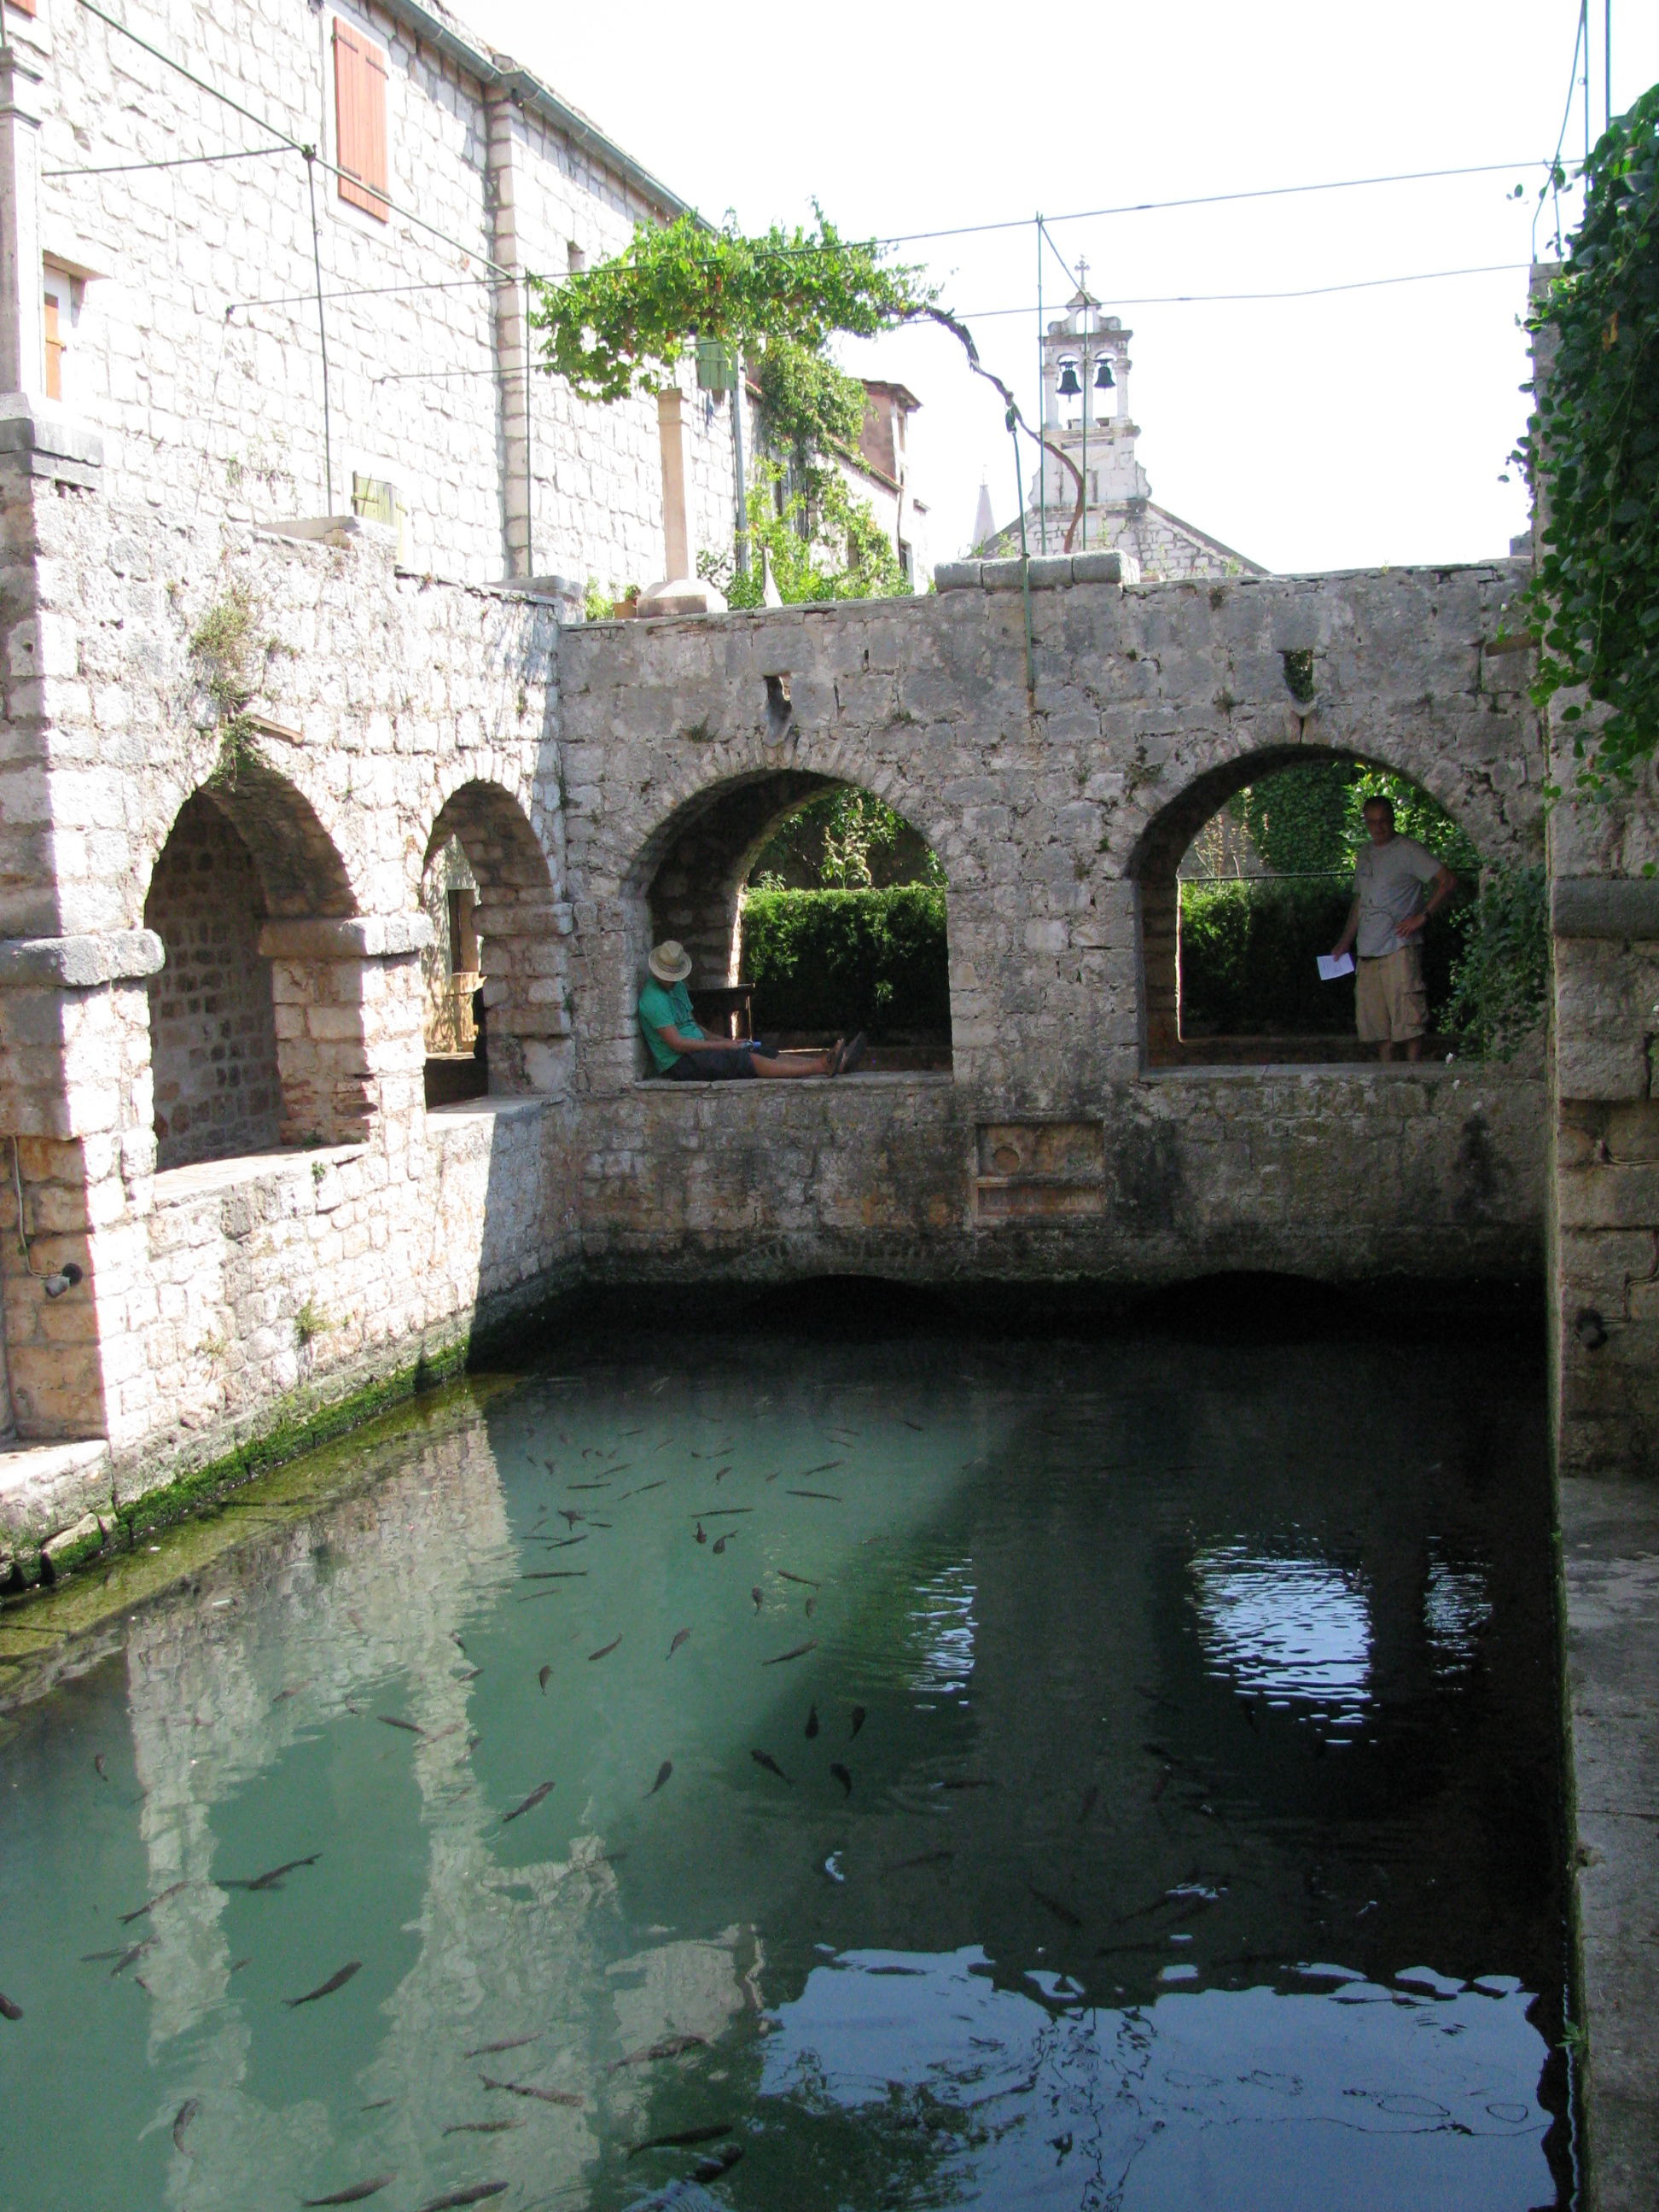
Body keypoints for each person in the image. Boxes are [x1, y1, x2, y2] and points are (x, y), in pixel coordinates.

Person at [1330, 795, 1458, 1062]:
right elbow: (1360, 901)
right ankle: (1387, 1078)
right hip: (1368, 950)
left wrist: (1422, 917)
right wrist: (1345, 941)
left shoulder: (1409, 850)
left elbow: (1446, 881)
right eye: (1372, 822)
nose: (1378, 828)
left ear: (1392, 820)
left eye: (1383, 821)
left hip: (1399, 947)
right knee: (1378, 1027)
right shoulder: (1365, 853)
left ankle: (1413, 1076)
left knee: (1409, 1021)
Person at [637, 940, 867, 1080]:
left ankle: (830, 1061)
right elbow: (677, 1044)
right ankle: (821, 1067)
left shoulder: (677, 988)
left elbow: (693, 1026)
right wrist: (724, 1046)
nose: (672, 980)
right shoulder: (653, 999)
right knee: (746, 1061)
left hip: (696, 1051)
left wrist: (728, 1040)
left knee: (763, 1051)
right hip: (680, 1062)